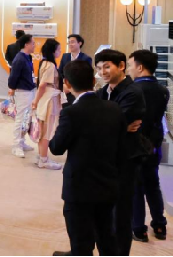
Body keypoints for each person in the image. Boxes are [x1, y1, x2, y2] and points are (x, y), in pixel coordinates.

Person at [50, 60, 124, 257]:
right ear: (93, 81)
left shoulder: (70, 112)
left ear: (67, 83)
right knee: (106, 236)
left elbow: (56, 147)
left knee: (81, 242)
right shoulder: (114, 108)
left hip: (79, 188)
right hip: (108, 183)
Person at [95, 49, 148, 257]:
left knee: (121, 215)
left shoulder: (132, 92)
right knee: (103, 213)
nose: (103, 72)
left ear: (122, 66)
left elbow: (111, 123)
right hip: (106, 160)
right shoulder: (103, 92)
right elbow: (99, 122)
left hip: (125, 160)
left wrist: (113, 125)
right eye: (99, 68)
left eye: (107, 66)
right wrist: (118, 126)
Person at [128, 50, 169, 242]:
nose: (129, 69)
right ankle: (160, 225)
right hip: (154, 143)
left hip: (136, 144)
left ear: (140, 67)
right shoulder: (163, 90)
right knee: (153, 184)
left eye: (130, 65)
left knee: (136, 186)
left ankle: (138, 228)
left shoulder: (133, 90)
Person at [31, 39, 63, 171]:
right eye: (58, 49)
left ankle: (41, 157)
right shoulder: (50, 65)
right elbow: (43, 85)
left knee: (43, 129)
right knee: (47, 131)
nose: (60, 52)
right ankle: (43, 159)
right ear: (53, 51)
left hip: (46, 98)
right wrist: (35, 101)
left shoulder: (44, 63)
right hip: (49, 99)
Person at [8, 34, 36, 159]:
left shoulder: (28, 57)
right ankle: (16, 146)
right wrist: (12, 90)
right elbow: (13, 77)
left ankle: (22, 141)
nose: (35, 45)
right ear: (26, 44)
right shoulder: (19, 59)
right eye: (33, 43)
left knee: (26, 119)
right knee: (20, 119)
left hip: (29, 91)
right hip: (22, 92)